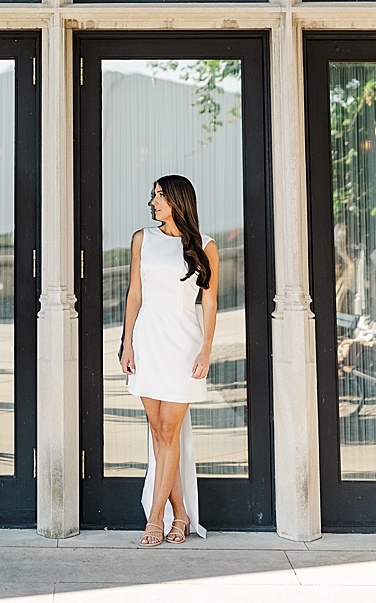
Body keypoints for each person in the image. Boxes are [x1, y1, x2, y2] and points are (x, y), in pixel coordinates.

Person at [120, 174, 218, 546]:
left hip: (183, 344)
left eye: (160, 196)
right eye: (154, 196)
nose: (153, 202)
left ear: (178, 200)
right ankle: (181, 515)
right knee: (160, 434)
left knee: (168, 431)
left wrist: (206, 348)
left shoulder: (205, 245)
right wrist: (126, 343)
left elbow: (209, 303)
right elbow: (134, 295)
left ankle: (154, 520)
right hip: (147, 341)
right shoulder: (143, 239)